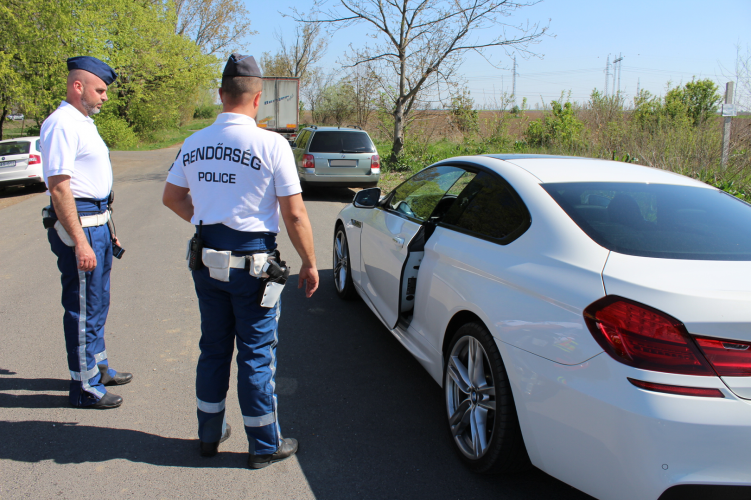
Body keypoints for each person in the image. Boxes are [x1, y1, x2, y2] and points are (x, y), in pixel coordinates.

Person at [162, 53, 319, 469]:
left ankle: (209, 436)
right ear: (258, 98)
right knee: (255, 354)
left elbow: (172, 197)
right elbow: (296, 213)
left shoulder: (194, 142)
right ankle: (264, 445)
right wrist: (309, 262)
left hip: (207, 262)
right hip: (253, 270)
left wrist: (203, 218)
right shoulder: (272, 145)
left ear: (220, 94)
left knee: (213, 349)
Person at [41, 56, 133, 410]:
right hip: (79, 228)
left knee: (98, 302)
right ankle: (84, 386)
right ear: (78, 86)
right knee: (82, 308)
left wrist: (110, 231)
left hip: (97, 224)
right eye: (100, 90)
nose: (104, 97)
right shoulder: (62, 123)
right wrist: (80, 241)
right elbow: (61, 188)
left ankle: (98, 366)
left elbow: (92, 187)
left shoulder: (82, 122)